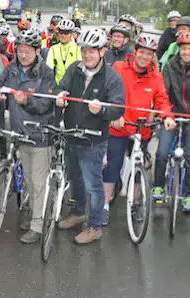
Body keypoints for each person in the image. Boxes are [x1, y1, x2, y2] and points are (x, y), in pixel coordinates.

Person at [55, 29, 125, 244]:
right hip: (71, 135)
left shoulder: (111, 77)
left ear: (102, 52)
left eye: (92, 51)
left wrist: (102, 111)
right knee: (74, 179)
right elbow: (61, 88)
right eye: (84, 51)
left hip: (93, 140)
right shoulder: (73, 69)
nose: (87, 55)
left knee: (93, 186)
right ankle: (78, 212)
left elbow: (118, 109)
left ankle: (95, 226)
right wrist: (59, 97)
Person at [0, 29, 57, 243]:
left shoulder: (46, 72)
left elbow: (47, 104)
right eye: (20, 51)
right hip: (18, 132)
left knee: (37, 182)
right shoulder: (11, 69)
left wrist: (26, 101)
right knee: (27, 178)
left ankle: (38, 225)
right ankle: (29, 211)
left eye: (28, 51)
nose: (23, 55)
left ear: (37, 51)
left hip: (39, 135)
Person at [103, 35, 173, 224]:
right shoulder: (118, 68)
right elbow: (107, 91)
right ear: (135, 52)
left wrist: (166, 116)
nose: (144, 56)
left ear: (153, 56)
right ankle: (104, 205)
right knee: (112, 166)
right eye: (141, 52)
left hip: (141, 129)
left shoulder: (156, 76)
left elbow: (161, 100)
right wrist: (112, 115)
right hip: (119, 126)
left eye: (148, 54)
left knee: (138, 167)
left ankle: (136, 204)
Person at [153, 32, 190, 213]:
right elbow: (164, 91)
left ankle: (188, 195)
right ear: (179, 49)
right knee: (162, 152)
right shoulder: (170, 65)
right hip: (172, 115)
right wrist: (165, 114)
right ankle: (158, 186)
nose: (187, 52)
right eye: (184, 48)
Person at [46, 19, 82, 84]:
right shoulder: (53, 49)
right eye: (61, 32)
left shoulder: (78, 49)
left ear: (71, 34)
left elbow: (81, 69)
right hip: (57, 86)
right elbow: (49, 68)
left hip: (73, 85)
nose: (63, 35)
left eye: (66, 33)